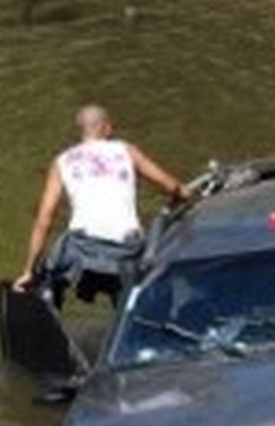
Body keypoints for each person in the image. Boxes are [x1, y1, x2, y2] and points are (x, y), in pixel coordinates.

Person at [12, 104, 188, 307]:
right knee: (137, 275)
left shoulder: (62, 161)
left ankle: (48, 304)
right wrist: (182, 192)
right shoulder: (126, 151)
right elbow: (169, 184)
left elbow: (45, 218)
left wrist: (29, 269)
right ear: (106, 128)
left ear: (82, 129)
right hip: (127, 248)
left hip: (82, 247)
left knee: (50, 269)